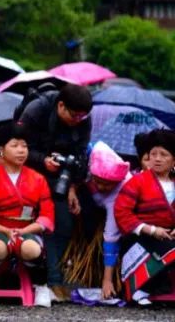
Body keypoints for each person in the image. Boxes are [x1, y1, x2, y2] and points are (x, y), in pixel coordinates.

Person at [15, 84, 92, 299]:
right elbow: (17, 147)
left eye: (83, 117)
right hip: (29, 170)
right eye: (74, 116)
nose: (78, 120)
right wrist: (43, 160)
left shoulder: (83, 119)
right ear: (61, 106)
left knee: (65, 224)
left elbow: (81, 155)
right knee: (49, 223)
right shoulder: (36, 110)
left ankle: (55, 277)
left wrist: (73, 187)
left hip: (62, 176)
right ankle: (51, 280)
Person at [0, 124, 54, 307]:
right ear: (1, 150)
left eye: (24, 146)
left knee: (32, 249)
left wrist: (24, 231)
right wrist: (4, 230)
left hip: (27, 231)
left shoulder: (38, 178)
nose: (21, 150)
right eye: (15, 145)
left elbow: (47, 217)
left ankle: (41, 286)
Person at [113, 129, 175, 305]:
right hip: (142, 238)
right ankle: (141, 289)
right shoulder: (138, 181)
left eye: (163, 154)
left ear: (174, 160)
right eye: (153, 154)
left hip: (169, 236)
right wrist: (151, 230)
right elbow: (122, 212)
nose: (157, 159)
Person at [84, 141, 131, 301]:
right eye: (97, 181)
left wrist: (107, 280)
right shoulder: (92, 152)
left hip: (112, 211)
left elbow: (111, 238)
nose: (101, 187)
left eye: (107, 185)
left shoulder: (121, 192)